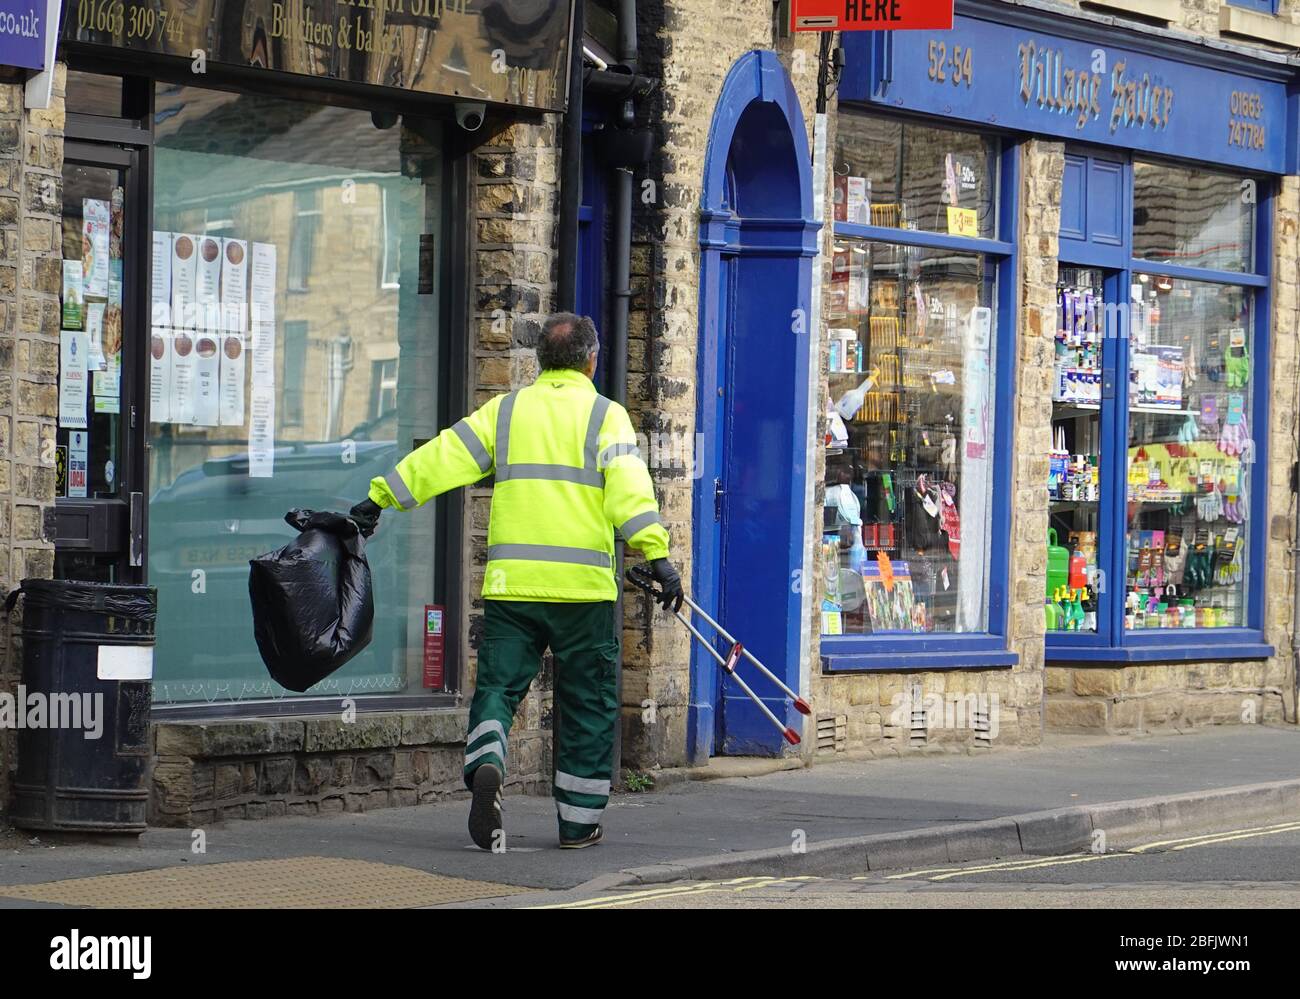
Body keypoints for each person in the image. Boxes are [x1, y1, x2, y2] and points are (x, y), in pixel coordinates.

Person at [350, 313, 683, 850]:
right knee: (587, 704)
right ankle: (578, 824)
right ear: (591, 361)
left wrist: (379, 498)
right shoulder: (607, 416)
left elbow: (443, 456)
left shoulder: (506, 412)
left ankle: (487, 759)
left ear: (539, 361)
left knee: (499, 688)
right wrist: (658, 556)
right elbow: (629, 492)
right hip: (583, 595)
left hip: (513, 588)